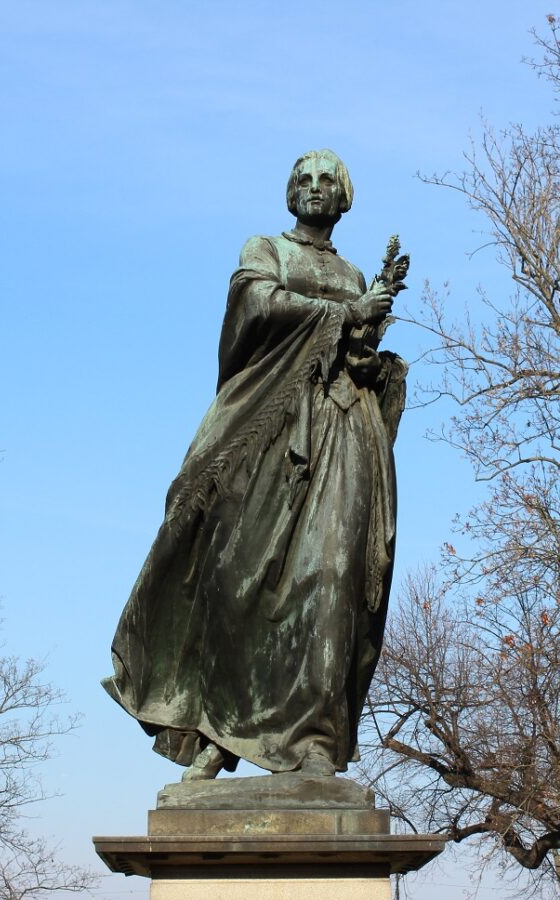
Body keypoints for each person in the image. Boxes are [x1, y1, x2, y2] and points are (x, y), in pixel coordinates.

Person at [102, 149, 406, 781]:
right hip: (268, 431)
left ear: (345, 197)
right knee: (235, 579)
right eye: (305, 179)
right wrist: (344, 314)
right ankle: (222, 732)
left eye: (329, 180)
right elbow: (256, 307)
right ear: (290, 193)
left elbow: (352, 352)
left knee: (331, 584)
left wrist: (369, 350)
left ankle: (315, 742)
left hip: (341, 432)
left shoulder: (354, 273)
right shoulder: (265, 250)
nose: (316, 188)